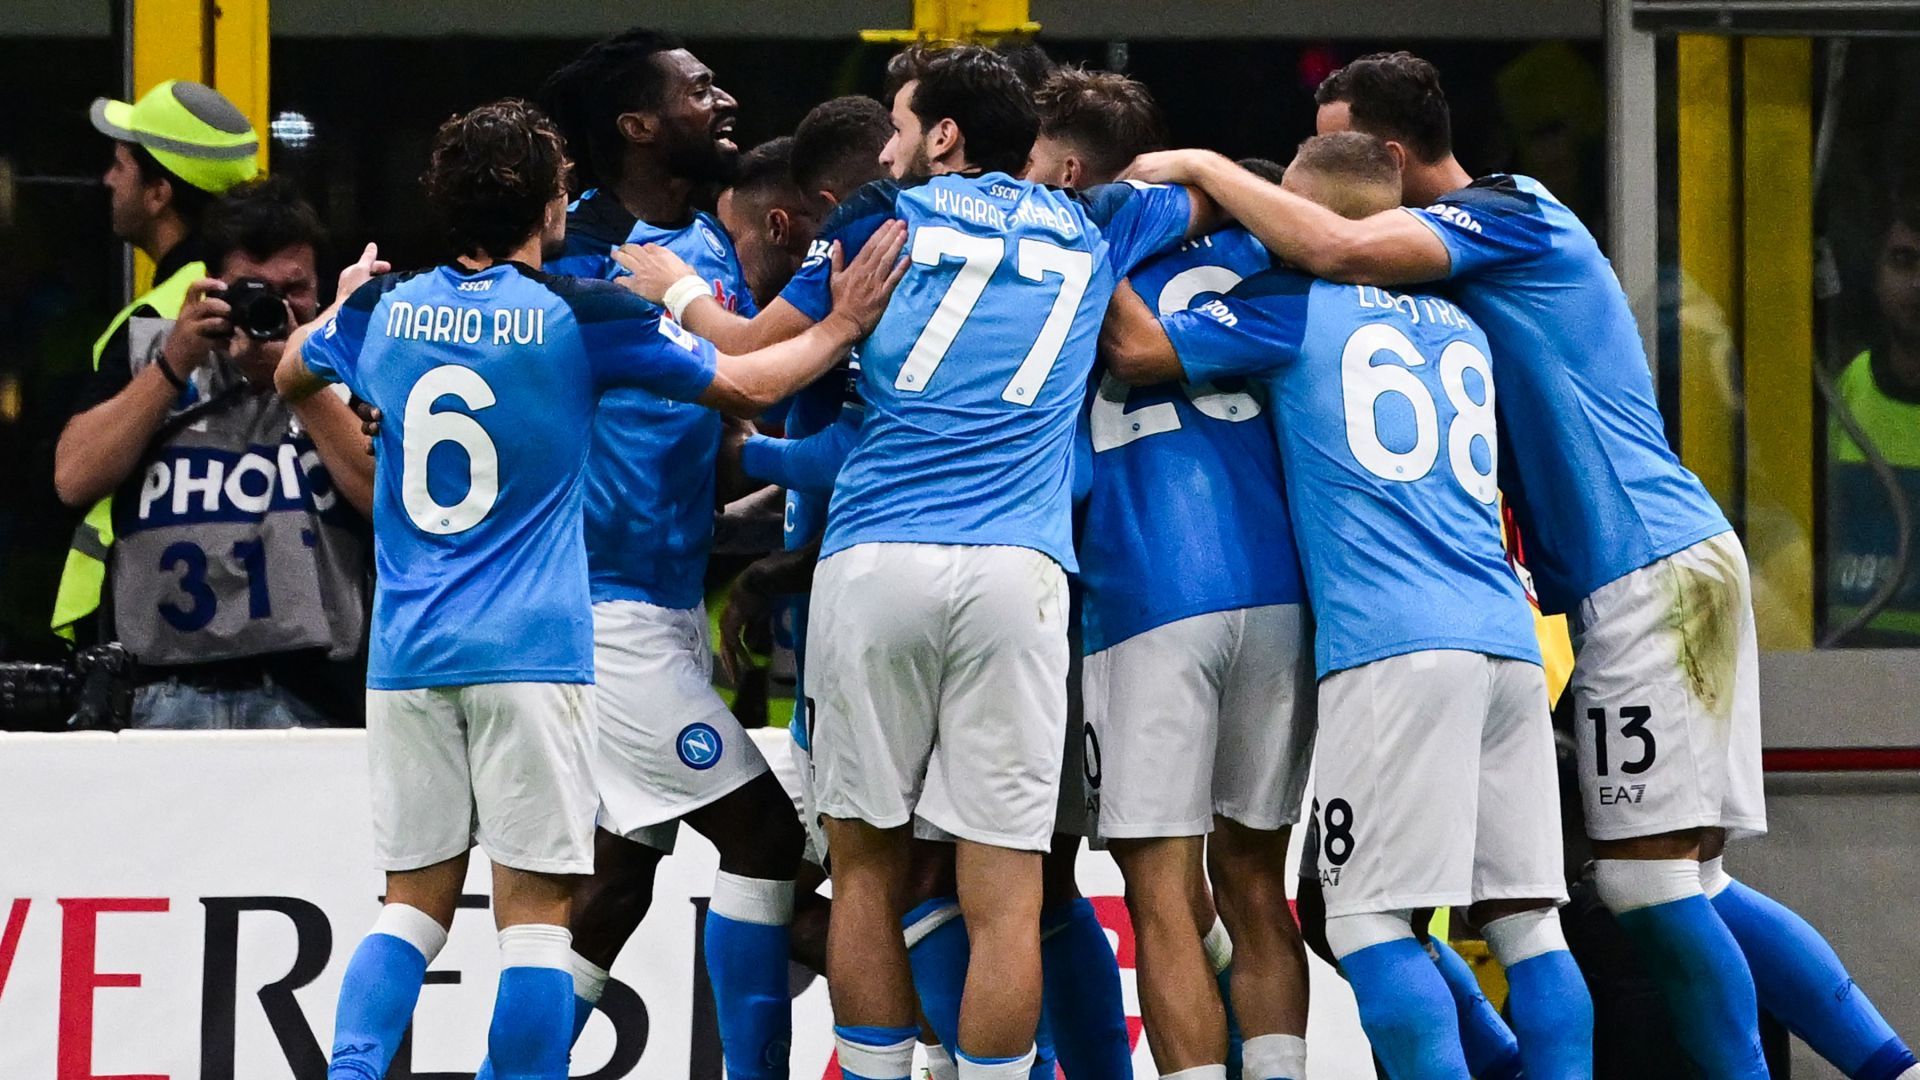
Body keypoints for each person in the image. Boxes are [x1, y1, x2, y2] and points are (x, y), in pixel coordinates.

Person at [1127, 48, 1916, 1080]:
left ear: (1395, 158)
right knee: (1622, 895)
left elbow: (1331, 246)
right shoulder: (1448, 300)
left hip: (1645, 570)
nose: (1335, 168)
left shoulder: (1510, 215)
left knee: (1636, 889)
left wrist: (1203, 169)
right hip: (1555, 607)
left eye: (1341, 145)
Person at [275, 97, 904, 1080]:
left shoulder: (378, 309)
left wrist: (357, 425)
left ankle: (352, 1071)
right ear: (552, 207)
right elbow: (750, 386)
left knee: (413, 907)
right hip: (539, 646)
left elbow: (287, 370)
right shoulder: (585, 317)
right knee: (538, 919)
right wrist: (847, 324)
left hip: (406, 653)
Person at [731, 45, 1214, 1080]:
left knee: (867, 871)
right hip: (1020, 575)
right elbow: (1195, 197)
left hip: (879, 558)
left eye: (902, 126)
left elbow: (760, 348)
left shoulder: (876, 218)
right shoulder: (1098, 223)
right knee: (1008, 891)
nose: (890, 147)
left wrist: (679, 294)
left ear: (945, 136)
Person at [1106, 129, 1592, 1080]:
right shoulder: (1463, 321)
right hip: (1508, 639)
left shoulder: (1296, 303)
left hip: (1392, 650)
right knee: (1531, 924)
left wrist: (1096, 257)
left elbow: (1139, 350)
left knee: (1369, 919)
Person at [469, 29, 811, 1080]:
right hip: (592, 610)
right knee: (764, 845)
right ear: (636, 125)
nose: (725, 97)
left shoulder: (704, 251)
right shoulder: (577, 268)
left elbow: (727, 431)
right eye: (698, 88)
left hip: (659, 608)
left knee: (617, 888)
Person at [1032, 67, 1314, 1080]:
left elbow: (1132, 357)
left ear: (1070, 170)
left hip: (1146, 593)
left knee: (1161, 900)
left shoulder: (1054, 253)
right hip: (1280, 597)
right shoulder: (1269, 251)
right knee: (1252, 884)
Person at [52, 174, 372, 729]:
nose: (276, 306)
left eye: (294, 288)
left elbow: (383, 497)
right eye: (253, 288)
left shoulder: (350, 362)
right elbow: (73, 478)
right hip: (161, 693)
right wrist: (173, 364)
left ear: (319, 289)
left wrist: (300, 378)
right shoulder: (150, 348)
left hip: (312, 697)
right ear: (214, 286)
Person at [52, 79, 260, 651]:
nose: (108, 179)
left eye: (121, 164)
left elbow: (74, 476)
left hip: (153, 631)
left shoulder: (157, 318)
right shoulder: (264, 302)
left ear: (159, 192)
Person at [1828, 195, 1920, 643]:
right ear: (1876, 274)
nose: (1919, 284)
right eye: (1904, 261)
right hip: (1847, 663)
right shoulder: (1843, 390)